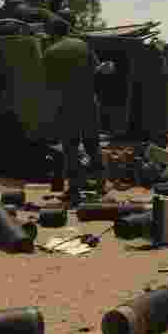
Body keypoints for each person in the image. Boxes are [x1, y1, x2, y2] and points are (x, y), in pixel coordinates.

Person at [43, 17, 105, 203]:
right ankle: (101, 184)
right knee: (92, 144)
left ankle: (75, 190)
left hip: (66, 104)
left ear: (52, 33)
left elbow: (48, 84)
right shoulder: (82, 45)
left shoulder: (50, 52)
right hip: (88, 102)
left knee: (70, 147)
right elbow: (97, 69)